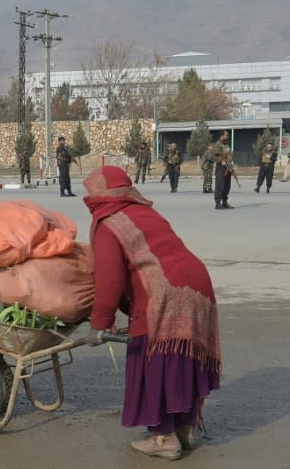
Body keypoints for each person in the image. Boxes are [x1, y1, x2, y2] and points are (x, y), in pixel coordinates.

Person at [83, 166, 221, 461]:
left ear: (99, 194)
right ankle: (186, 429)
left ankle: (163, 438)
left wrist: (99, 324)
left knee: (153, 358)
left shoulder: (108, 223)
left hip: (163, 292)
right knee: (182, 354)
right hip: (198, 285)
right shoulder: (147, 212)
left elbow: (110, 281)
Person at [212, 130, 235, 209]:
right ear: (222, 136)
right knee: (220, 185)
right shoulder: (217, 145)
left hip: (228, 167)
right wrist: (220, 161)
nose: (228, 137)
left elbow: (230, 155)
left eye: (228, 135)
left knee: (227, 186)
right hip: (221, 168)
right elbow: (213, 156)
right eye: (226, 135)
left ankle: (224, 202)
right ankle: (218, 203)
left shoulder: (227, 146)